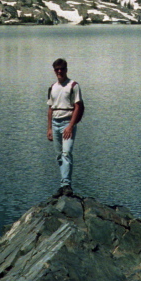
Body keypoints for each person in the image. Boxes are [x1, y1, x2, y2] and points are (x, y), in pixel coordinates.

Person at [47, 58, 84, 196]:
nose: (59, 71)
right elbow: (50, 108)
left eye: (62, 69)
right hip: (56, 122)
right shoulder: (53, 87)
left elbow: (78, 106)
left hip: (67, 122)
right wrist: (49, 128)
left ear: (66, 69)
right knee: (59, 155)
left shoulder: (73, 85)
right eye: (57, 69)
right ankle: (63, 185)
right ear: (54, 70)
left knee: (67, 152)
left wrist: (71, 125)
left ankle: (66, 185)